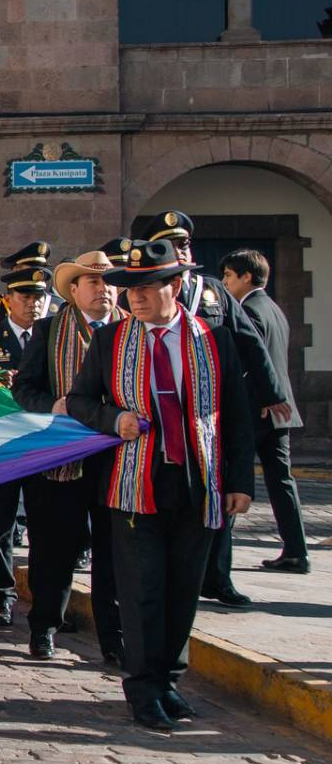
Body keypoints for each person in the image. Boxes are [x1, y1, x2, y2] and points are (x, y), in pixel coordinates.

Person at [67, 239, 255, 730]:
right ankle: (143, 686)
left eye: (146, 287)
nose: (135, 298)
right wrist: (114, 418)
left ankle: (170, 679)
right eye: (129, 289)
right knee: (142, 590)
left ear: (175, 286)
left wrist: (240, 480)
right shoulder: (111, 342)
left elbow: (236, 413)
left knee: (183, 590)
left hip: (198, 482)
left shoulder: (212, 339)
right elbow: (81, 401)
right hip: (136, 483)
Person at [144, 211, 289, 608]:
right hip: (164, 408)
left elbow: (249, 342)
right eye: (173, 244)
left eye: (186, 242)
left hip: (211, 410)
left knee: (220, 491)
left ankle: (218, 577)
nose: (183, 248)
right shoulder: (143, 293)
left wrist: (272, 392)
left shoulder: (212, 291)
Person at [12, 249, 125, 663]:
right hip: (60, 460)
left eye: (109, 282)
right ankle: (44, 627)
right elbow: (23, 390)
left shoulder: (130, 331)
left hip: (115, 460)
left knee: (114, 553)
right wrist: (51, 405)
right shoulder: (49, 331)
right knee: (53, 550)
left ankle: (114, 639)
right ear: (73, 290)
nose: (103, 290)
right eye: (93, 282)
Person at [219, 248, 308, 576]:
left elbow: (252, 364)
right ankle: (296, 550)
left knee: (233, 476)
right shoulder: (274, 308)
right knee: (281, 480)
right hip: (280, 411)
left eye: (229, 276)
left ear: (246, 276)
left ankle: (218, 558)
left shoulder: (250, 311)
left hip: (257, 410)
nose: (226, 283)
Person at [0, 265, 48, 625]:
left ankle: (48, 600)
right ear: (8, 300)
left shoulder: (55, 336)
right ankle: (0, 596)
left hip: (43, 444)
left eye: (40, 297)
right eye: (26, 297)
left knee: (46, 527)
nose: (34, 304)